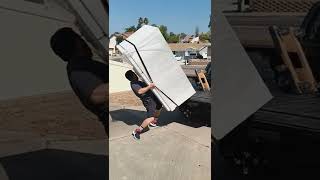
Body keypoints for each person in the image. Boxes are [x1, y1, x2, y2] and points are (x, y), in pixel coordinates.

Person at [50, 27, 108, 136]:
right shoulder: (78, 69)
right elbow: (96, 94)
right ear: (78, 43)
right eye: (81, 39)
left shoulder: (83, 65)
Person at [125, 70, 162, 140]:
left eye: (134, 73)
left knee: (159, 106)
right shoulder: (134, 84)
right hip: (149, 101)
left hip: (152, 98)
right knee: (151, 117)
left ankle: (153, 122)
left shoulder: (138, 82)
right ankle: (137, 131)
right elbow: (140, 91)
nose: (135, 75)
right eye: (133, 74)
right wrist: (149, 86)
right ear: (131, 77)